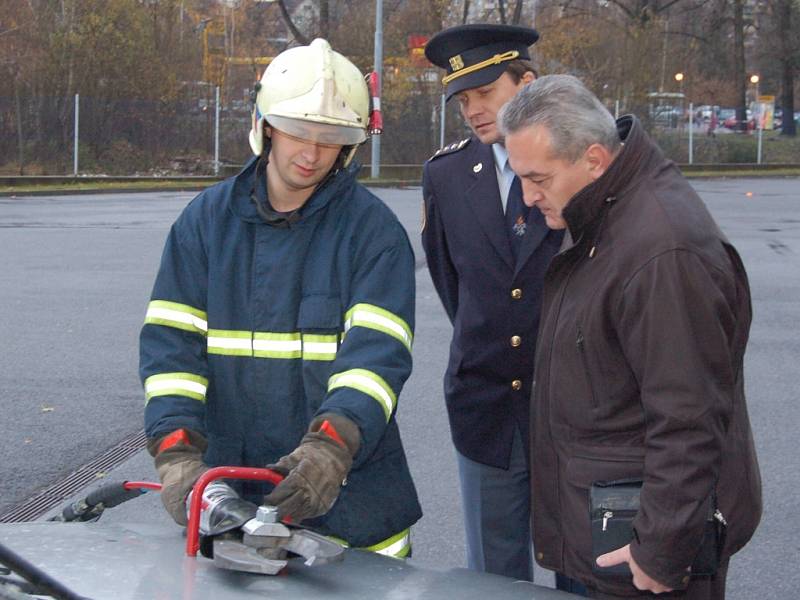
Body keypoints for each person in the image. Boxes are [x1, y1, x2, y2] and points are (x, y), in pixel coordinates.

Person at [139, 38, 421, 557]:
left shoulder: (374, 234)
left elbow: (375, 362)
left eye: (330, 138)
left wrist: (332, 451)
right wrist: (177, 455)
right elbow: (170, 354)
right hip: (227, 502)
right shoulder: (204, 225)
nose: (312, 154)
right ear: (266, 125)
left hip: (353, 510)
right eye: (298, 132)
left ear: (350, 143)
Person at [498, 74, 762, 598]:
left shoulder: (662, 252)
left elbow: (689, 420)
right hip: (614, 529)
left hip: (644, 551)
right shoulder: (606, 213)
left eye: (539, 178)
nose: (527, 197)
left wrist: (660, 552)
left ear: (594, 160)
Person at [421, 24, 565, 583]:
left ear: (526, 83)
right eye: (463, 99)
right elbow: (452, 284)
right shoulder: (447, 175)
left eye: (485, 92)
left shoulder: (575, 163)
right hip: (484, 407)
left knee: (582, 569)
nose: (472, 110)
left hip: (567, 406)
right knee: (492, 577)